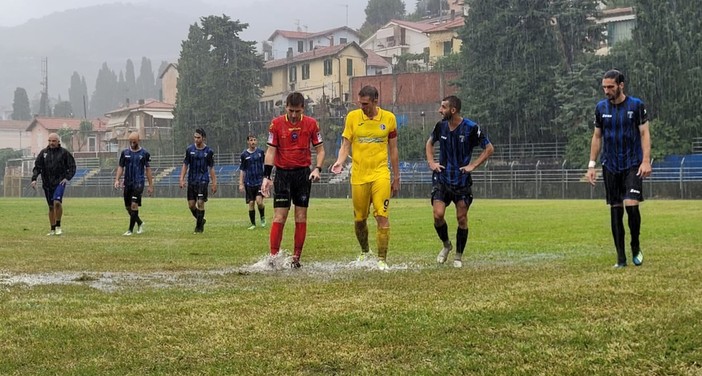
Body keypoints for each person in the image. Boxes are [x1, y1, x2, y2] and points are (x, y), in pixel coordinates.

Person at [331, 85, 400, 271]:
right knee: (360, 219)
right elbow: (346, 145)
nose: (362, 107)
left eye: (366, 104)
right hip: (359, 176)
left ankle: (382, 260)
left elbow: (393, 150)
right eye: (360, 103)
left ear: (376, 101)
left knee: (382, 216)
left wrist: (396, 176)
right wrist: (339, 161)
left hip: (380, 174)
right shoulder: (353, 117)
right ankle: (364, 250)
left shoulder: (389, 119)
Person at [587, 69, 651, 268]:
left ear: (621, 85)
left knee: (632, 206)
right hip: (610, 165)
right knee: (615, 210)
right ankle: (621, 258)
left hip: (632, 163)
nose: (607, 91)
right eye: (604, 87)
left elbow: (644, 134)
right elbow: (597, 137)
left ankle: (635, 244)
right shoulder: (600, 108)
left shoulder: (636, 105)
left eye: (610, 87)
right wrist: (591, 165)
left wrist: (646, 160)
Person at [425, 96, 494, 268]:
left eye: (443, 107)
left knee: (461, 218)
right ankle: (447, 245)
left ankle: (458, 256)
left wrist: (473, 165)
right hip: (442, 178)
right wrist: (431, 162)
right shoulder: (440, 126)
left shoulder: (471, 128)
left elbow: (489, 148)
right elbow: (429, 143)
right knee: (437, 215)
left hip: (462, 180)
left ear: (453, 110)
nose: (440, 110)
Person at [261, 92, 325, 269]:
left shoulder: (312, 124)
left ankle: (296, 258)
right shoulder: (276, 124)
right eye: (291, 111)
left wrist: (317, 169)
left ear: (303, 108)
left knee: (301, 216)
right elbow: (271, 151)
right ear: (286, 108)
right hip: (282, 174)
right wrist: (267, 176)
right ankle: (273, 257)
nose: (294, 115)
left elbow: (320, 150)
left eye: (297, 111)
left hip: (302, 175)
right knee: (279, 216)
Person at [30, 133, 76, 236]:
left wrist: (67, 178)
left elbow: (72, 167)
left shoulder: (64, 153)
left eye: (53, 141)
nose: (51, 143)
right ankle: (52, 229)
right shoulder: (43, 153)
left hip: (59, 182)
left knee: (57, 203)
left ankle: (58, 226)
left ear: (58, 141)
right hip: (47, 183)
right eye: (49, 141)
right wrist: (34, 179)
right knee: (51, 207)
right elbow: (37, 167)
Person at [114, 132, 154, 236]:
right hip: (127, 183)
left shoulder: (144, 153)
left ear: (138, 141)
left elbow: (148, 169)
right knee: (128, 207)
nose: (132, 143)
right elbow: (121, 167)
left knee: (134, 205)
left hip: (138, 183)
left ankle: (130, 230)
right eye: (130, 141)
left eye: (134, 142)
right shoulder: (125, 153)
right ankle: (140, 223)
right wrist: (117, 179)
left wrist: (150, 185)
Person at [179, 128, 217, 234]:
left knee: (200, 202)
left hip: (203, 180)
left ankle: (198, 227)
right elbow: (185, 165)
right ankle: (201, 220)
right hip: (192, 181)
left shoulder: (209, 151)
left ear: (203, 138)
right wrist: (181, 179)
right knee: (191, 205)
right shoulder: (189, 150)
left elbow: (211, 168)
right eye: (195, 137)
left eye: (198, 137)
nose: (196, 139)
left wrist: (214, 183)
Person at [239, 135, 266, 230]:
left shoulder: (260, 153)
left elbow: (266, 165)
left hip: (259, 181)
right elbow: (242, 170)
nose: (253, 142)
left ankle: (262, 217)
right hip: (249, 183)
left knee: (259, 202)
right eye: (251, 140)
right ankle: (253, 224)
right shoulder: (244, 155)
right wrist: (241, 183)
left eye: (254, 140)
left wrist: (267, 178)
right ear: (248, 142)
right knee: (251, 203)